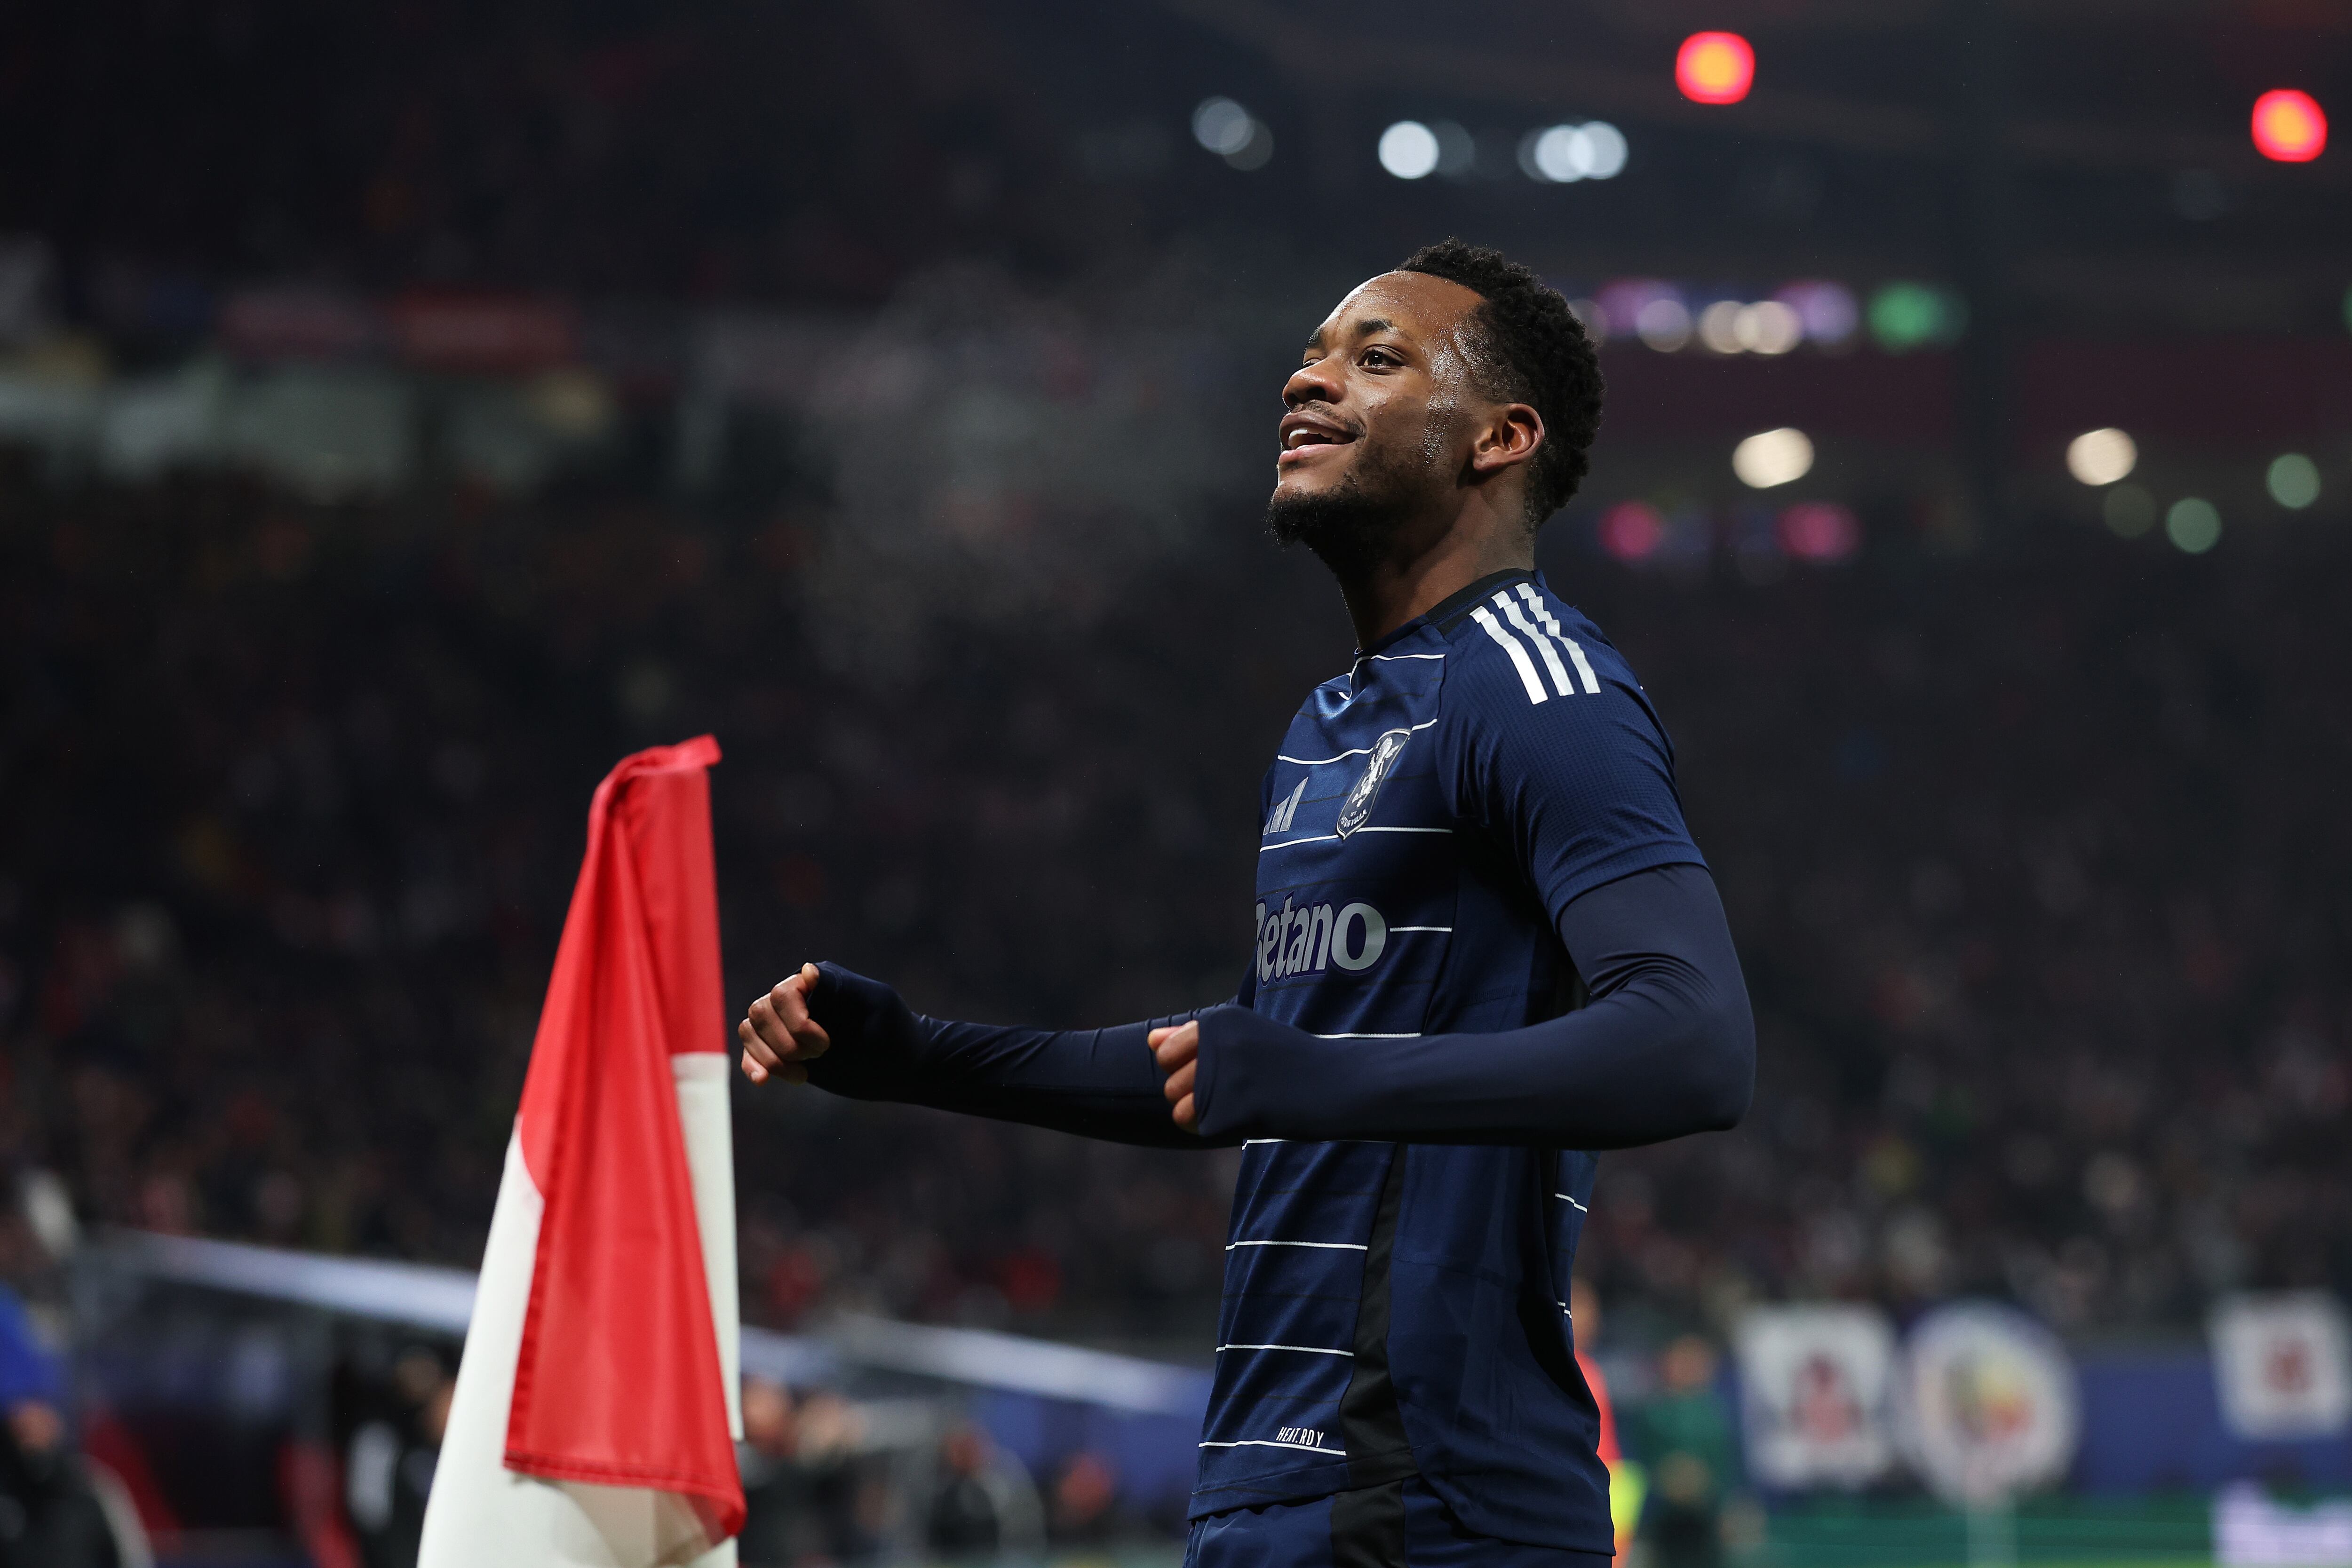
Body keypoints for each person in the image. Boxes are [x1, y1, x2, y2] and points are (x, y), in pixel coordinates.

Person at [738, 239, 1755, 1566]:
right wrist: (917, 1055)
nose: (1308, 379)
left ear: (1500, 437)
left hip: (1436, 1501)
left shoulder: (1539, 687)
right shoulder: (1333, 723)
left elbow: (1694, 1039)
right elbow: (1236, 1072)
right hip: (1270, 1485)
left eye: (1373, 358)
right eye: (1312, 352)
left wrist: (1319, 1073)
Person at [1634, 1337, 1737, 1568]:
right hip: (1662, 1520)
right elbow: (1638, 1464)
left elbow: (1729, 1468)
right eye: (1681, 1361)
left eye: (1695, 1362)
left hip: (1705, 1521)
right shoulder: (1652, 1412)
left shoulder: (1717, 1414)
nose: (1688, 1368)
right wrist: (1667, 1479)